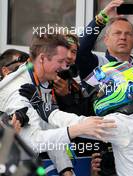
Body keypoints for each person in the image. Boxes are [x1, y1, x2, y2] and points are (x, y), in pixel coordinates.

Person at [20, 61, 133, 176]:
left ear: (121, 89)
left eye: (103, 89)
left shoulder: (121, 124)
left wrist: (42, 107)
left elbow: (77, 125)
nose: (99, 94)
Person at [0, 34, 116, 176]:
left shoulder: (42, 79)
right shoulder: (18, 89)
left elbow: (48, 124)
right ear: (42, 58)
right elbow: (34, 140)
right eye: (60, 61)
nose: (65, 66)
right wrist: (76, 129)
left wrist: (66, 169)